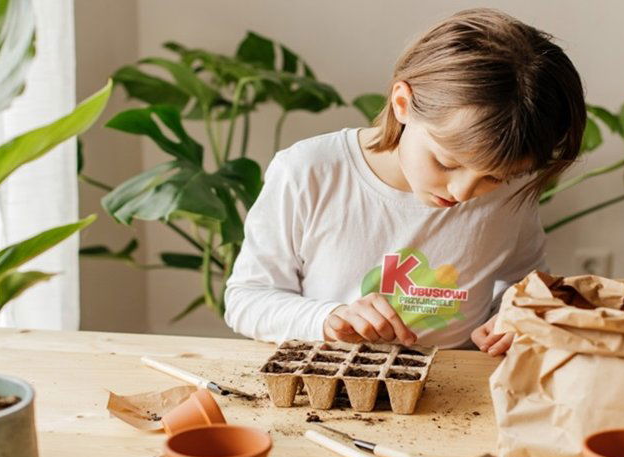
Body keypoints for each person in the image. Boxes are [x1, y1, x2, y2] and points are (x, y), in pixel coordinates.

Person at [224, 8, 586, 356]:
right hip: (331, 379)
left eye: (494, 177)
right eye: (446, 163)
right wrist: (327, 318)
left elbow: (522, 283)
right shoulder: (310, 171)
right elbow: (246, 300)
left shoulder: (509, 192)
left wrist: (512, 314)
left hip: (458, 382)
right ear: (403, 104)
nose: (462, 192)